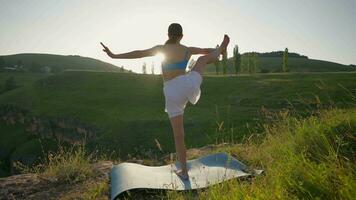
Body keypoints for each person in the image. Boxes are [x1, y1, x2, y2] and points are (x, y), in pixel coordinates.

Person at [101, 23, 230, 180]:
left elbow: (139, 53)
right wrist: (218, 51)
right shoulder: (187, 49)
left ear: (168, 35)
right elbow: (205, 52)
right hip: (187, 85)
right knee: (203, 60)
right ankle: (221, 49)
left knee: (178, 135)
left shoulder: (161, 49)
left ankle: (184, 172)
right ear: (181, 36)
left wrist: (114, 55)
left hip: (171, 91)